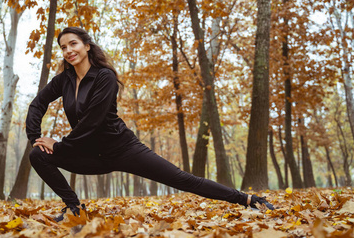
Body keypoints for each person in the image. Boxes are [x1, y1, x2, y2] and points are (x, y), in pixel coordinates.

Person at [26, 27, 274, 221]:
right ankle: (74, 208)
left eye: (73, 44)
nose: (69, 50)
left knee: (183, 179)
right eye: (63, 47)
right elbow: (38, 103)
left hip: (123, 149)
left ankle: (248, 199)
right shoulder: (65, 79)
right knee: (38, 155)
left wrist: (59, 146)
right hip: (90, 154)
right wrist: (36, 137)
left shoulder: (105, 77)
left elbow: (92, 121)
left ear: (87, 46)